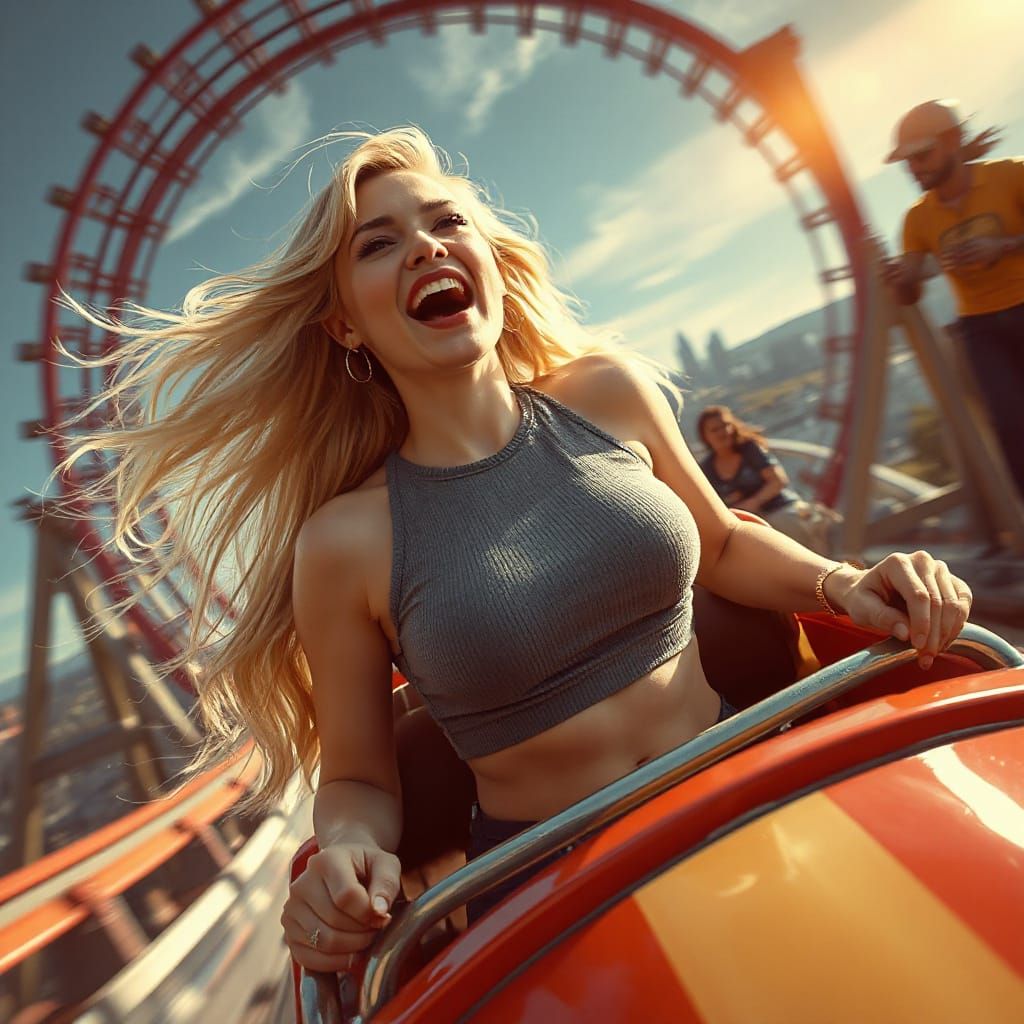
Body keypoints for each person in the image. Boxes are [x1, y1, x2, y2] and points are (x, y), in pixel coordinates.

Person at [51, 126, 973, 977]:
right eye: (378, 244)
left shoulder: (606, 395)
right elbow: (363, 778)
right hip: (556, 888)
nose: (424, 246)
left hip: (749, 776)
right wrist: (345, 852)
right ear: (342, 324)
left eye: (447, 220)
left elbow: (724, 540)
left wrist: (847, 582)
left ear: (487, 259)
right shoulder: (344, 542)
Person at [881, 98, 1024, 501]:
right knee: (1012, 427)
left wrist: (1005, 245)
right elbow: (908, 291)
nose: (914, 168)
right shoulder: (916, 219)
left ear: (955, 141)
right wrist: (900, 281)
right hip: (982, 330)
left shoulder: (1012, 175)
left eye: (922, 155)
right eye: (906, 162)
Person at [696, 405, 838, 553]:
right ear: (705, 436)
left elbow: (778, 481)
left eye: (726, 425)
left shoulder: (750, 449)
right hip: (747, 523)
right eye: (714, 430)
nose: (723, 432)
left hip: (779, 508)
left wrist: (753, 502)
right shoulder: (707, 469)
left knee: (784, 529)